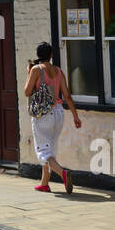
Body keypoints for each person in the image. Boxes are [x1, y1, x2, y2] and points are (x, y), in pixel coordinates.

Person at [23, 41, 81, 193]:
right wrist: (76, 116)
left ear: (38, 55)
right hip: (58, 113)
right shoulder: (58, 71)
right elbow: (67, 95)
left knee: (43, 151)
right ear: (50, 55)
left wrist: (29, 73)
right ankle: (44, 183)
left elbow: (27, 92)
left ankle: (63, 172)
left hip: (43, 114)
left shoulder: (36, 69)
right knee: (51, 149)